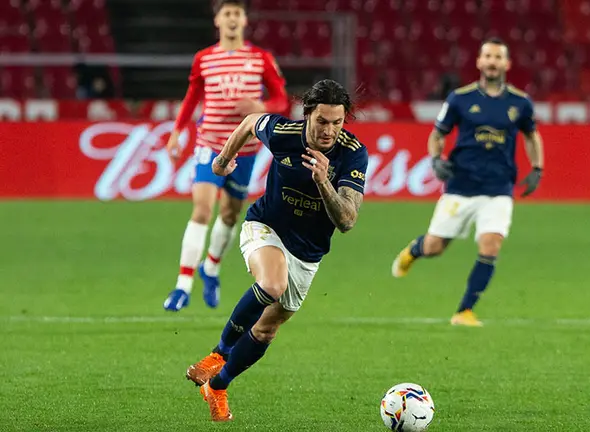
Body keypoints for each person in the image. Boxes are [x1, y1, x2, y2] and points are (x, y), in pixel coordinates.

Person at [184, 79, 368, 422]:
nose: (329, 131)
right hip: (265, 227)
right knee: (272, 284)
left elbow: (347, 221)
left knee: (266, 330)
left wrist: (323, 182)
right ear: (307, 114)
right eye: (322, 121)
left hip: (308, 252)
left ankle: (218, 386)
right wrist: (223, 159)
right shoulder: (283, 132)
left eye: (337, 122)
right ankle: (219, 354)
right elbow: (250, 122)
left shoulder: (352, 153)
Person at [391, 37, 546, 327]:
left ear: (507, 64)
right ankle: (414, 250)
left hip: (499, 187)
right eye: (487, 56)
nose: (492, 62)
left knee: (491, 244)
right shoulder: (459, 99)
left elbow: (531, 135)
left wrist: (538, 168)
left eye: (498, 57)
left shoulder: (520, 103)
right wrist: (435, 159)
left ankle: (464, 311)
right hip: (461, 185)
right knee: (435, 246)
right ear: (479, 62)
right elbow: (438, 134)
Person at [163, 0, 288, 311]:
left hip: (245, 150)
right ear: (217, 20)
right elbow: (192, 96)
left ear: (244, 21)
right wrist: (177, 131)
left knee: (230, 215)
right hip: (210, 143)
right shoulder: (204, 59)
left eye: (237, 14)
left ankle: (211, 268)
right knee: (202, 210)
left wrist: (262, 108)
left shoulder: (260, 59)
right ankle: (182, 285)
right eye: (226, 13)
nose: (232, 18)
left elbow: (281, 100)